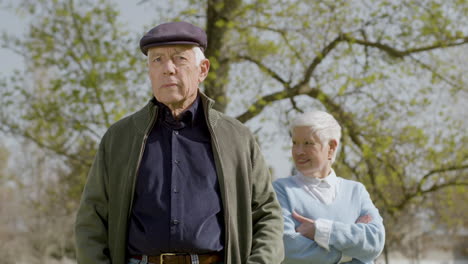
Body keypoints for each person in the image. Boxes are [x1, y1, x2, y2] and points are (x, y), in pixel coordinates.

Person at [74, 21, 284, 264]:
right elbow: (92, 219)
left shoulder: (236, 137)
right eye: (157, 60)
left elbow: (267, 215)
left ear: (202, 69)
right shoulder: (120, 137)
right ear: (149, 71)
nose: (168, 69)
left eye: (179, 59)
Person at [273, 111, 385, 264]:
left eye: (307, 143)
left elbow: (375, 241)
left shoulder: (356, 191)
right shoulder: (281, 190)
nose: (298, 151)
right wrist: (350, 254)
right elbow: (287, 248)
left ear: (331, 147)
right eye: (295, 143)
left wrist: (321, 231)